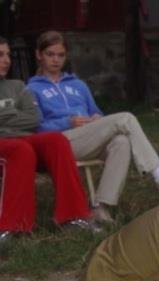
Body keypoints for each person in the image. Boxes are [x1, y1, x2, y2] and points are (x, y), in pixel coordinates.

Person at [26, 31, 159, 225]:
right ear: (39, 55)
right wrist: (67, 122)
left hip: (87, 138)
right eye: (50, 54)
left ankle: (101, 207)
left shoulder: (78, 85)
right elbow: (36, 127)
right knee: (125, 118)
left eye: (60, 55)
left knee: (122, 142)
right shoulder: (32, 89)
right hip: (60, 142)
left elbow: (97, 112)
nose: (55, 60)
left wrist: (97, 118)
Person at [0, 35, 98, 244]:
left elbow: (34, 118)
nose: (7, 60)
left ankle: (73, 216)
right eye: (1, 55)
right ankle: (15, 227)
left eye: (8, 54)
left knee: (56, 140)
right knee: (21, 150)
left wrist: (6, 120)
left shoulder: (16, 86)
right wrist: (14, 118)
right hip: (10, 143)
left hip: (22, 138)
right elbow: (24, 118)